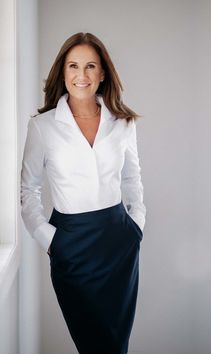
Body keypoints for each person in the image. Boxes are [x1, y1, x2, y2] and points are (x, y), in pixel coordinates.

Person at [20, 32, 146, 354]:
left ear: (103, 73)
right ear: (63, 73)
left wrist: (137, 226)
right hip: (70, 242)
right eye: (73, 66)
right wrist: (50, 239)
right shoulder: (42, 126)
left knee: (116, 345)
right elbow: (29, 190)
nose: (82, 75)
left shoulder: (123, 122)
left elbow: (132, 179)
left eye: (91, 66)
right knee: (92, 343)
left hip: (118, 242)